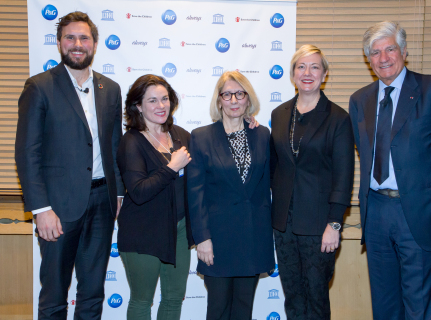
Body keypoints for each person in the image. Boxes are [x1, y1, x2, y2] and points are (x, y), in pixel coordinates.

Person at [349, 21, 431, 319]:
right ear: (368, 59)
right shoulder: (359, 100)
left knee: (424, 308)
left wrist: (430, 195)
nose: (384, 58)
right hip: (376, 214)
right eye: (375, 52)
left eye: (390, 48)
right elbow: (363, 153)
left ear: (404, 50)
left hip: (420, 212)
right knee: (386, 305)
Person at [15, 11, 124, 319]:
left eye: (84, 38)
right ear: (60, 44)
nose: (77, 44)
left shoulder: (110, 89)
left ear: (94, 44)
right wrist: (40, 209)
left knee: (92, 293)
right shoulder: (39, 87)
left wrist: (118, 194)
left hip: (102, 203)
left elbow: (114, 146)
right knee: (54, 295)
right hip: (57, 208)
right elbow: (27, 152)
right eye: (70, 38)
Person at [270, 44, 354, 320]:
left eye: (315, 67)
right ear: (293, 74)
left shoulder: (338, 118)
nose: (308, 73)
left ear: (324, 74)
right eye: (301, 66)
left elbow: (344, 176)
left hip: (319, 226)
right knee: (293, 298)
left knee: (316, 299)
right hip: (284, 224)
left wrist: (334, 223)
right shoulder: (279, 114)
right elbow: (275, 165)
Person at [188, 71, 275, 320]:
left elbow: (265, 185)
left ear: (248, 99)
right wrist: (202, 238)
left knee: (243, 311)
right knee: (218, 310)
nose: (234, 100)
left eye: (240, 93)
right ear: (219, 100)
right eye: (227, 94)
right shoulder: (201, 137)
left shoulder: (262, 135)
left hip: (252, 238)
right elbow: (196, 194)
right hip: (217, 240)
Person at [116, 74, 194, 320]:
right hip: (143, 231)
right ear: (138, 106)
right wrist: (172, 167)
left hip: (178, 230)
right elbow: (138, 192)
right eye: (152, 101)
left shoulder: (181, 135)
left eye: (165, 99)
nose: (161, 106)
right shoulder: (131, 142)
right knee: (142, 301)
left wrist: (247, 119)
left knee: (173, 299)